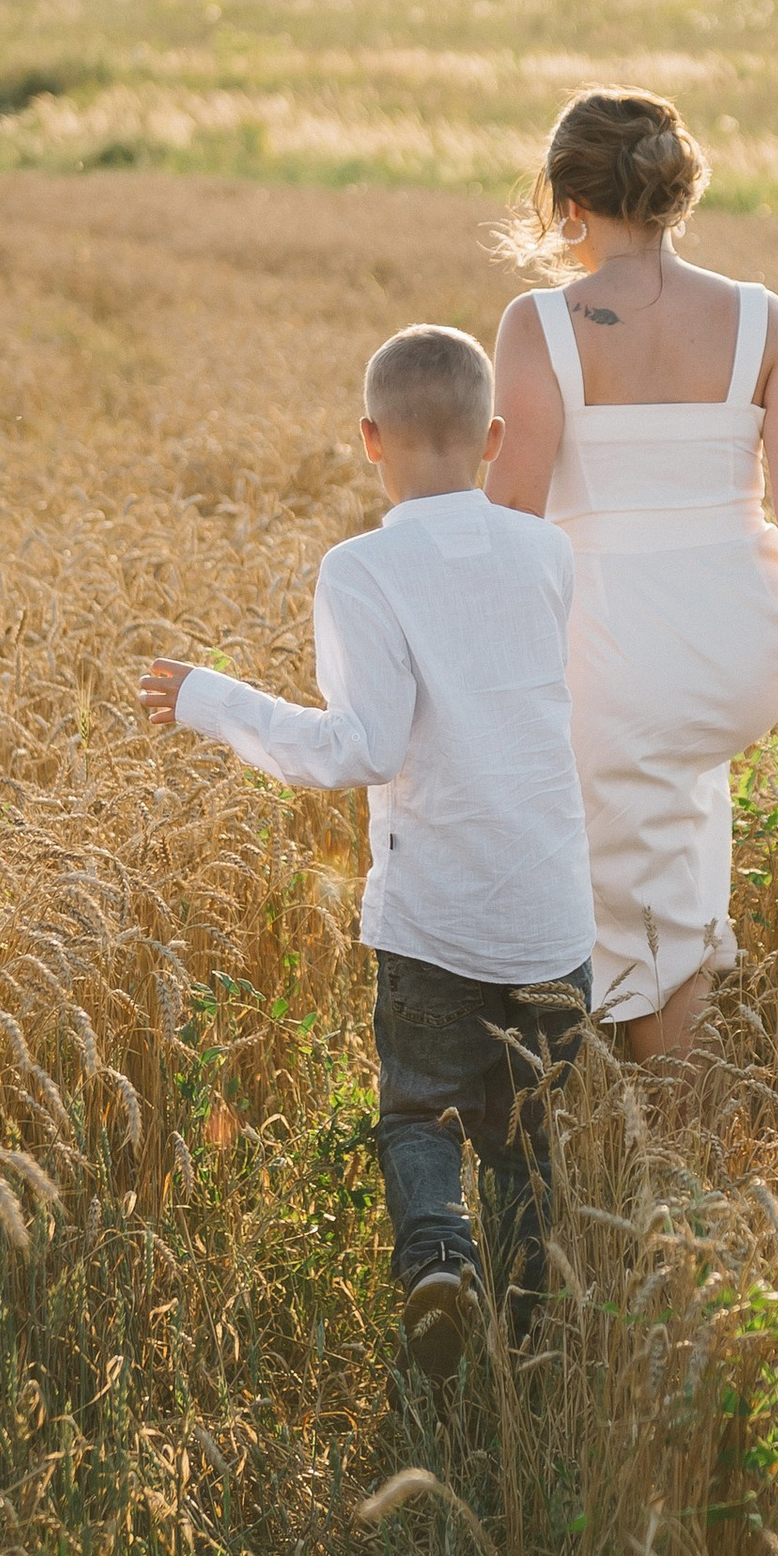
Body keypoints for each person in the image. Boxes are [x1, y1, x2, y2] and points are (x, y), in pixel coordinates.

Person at [137, 322, 594, 1380]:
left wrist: (215, 701)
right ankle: (532, 1337)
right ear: (491, 437)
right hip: (551, 919)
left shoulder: (359, 568)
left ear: (367, 440)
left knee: (419, 1109)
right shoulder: (549, 551)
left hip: (434, 918)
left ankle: (438, 1254)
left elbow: (364, 746)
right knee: (526, 1141)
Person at [488, 87, 778, 1058]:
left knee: (593, 868)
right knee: (676, 815)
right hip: (741, 646)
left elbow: (511, 513)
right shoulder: (761, 317)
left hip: (611, 643)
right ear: (675, 189)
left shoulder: (541, 323)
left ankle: (621, 1120)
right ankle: (669, 1120)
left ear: (567, 202)